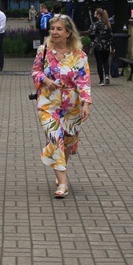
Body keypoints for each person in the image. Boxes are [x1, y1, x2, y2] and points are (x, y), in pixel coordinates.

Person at [31, 14, 91, 198]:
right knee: (55, 139)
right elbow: (35, 71)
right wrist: (45, 80)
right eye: (53, 29)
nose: (54, 32)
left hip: (72, 107)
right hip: (48, 104)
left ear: (68, 32)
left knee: (67, 141)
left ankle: (60, 168)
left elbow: (84, 80)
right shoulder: (44, 50)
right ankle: (63, 183)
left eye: (59, 29)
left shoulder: (79, 55)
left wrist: (86, 103)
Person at [88, 8, 113, 86]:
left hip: (98, 46)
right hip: (106, 45)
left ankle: (101, 80)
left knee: (99, 62)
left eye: (95, 14)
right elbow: (111, 36)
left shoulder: (95, 24)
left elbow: (91, 34)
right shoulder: (108, 24)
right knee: (106, 61)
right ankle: (107, 76)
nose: (95, 16)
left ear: (98, 15)